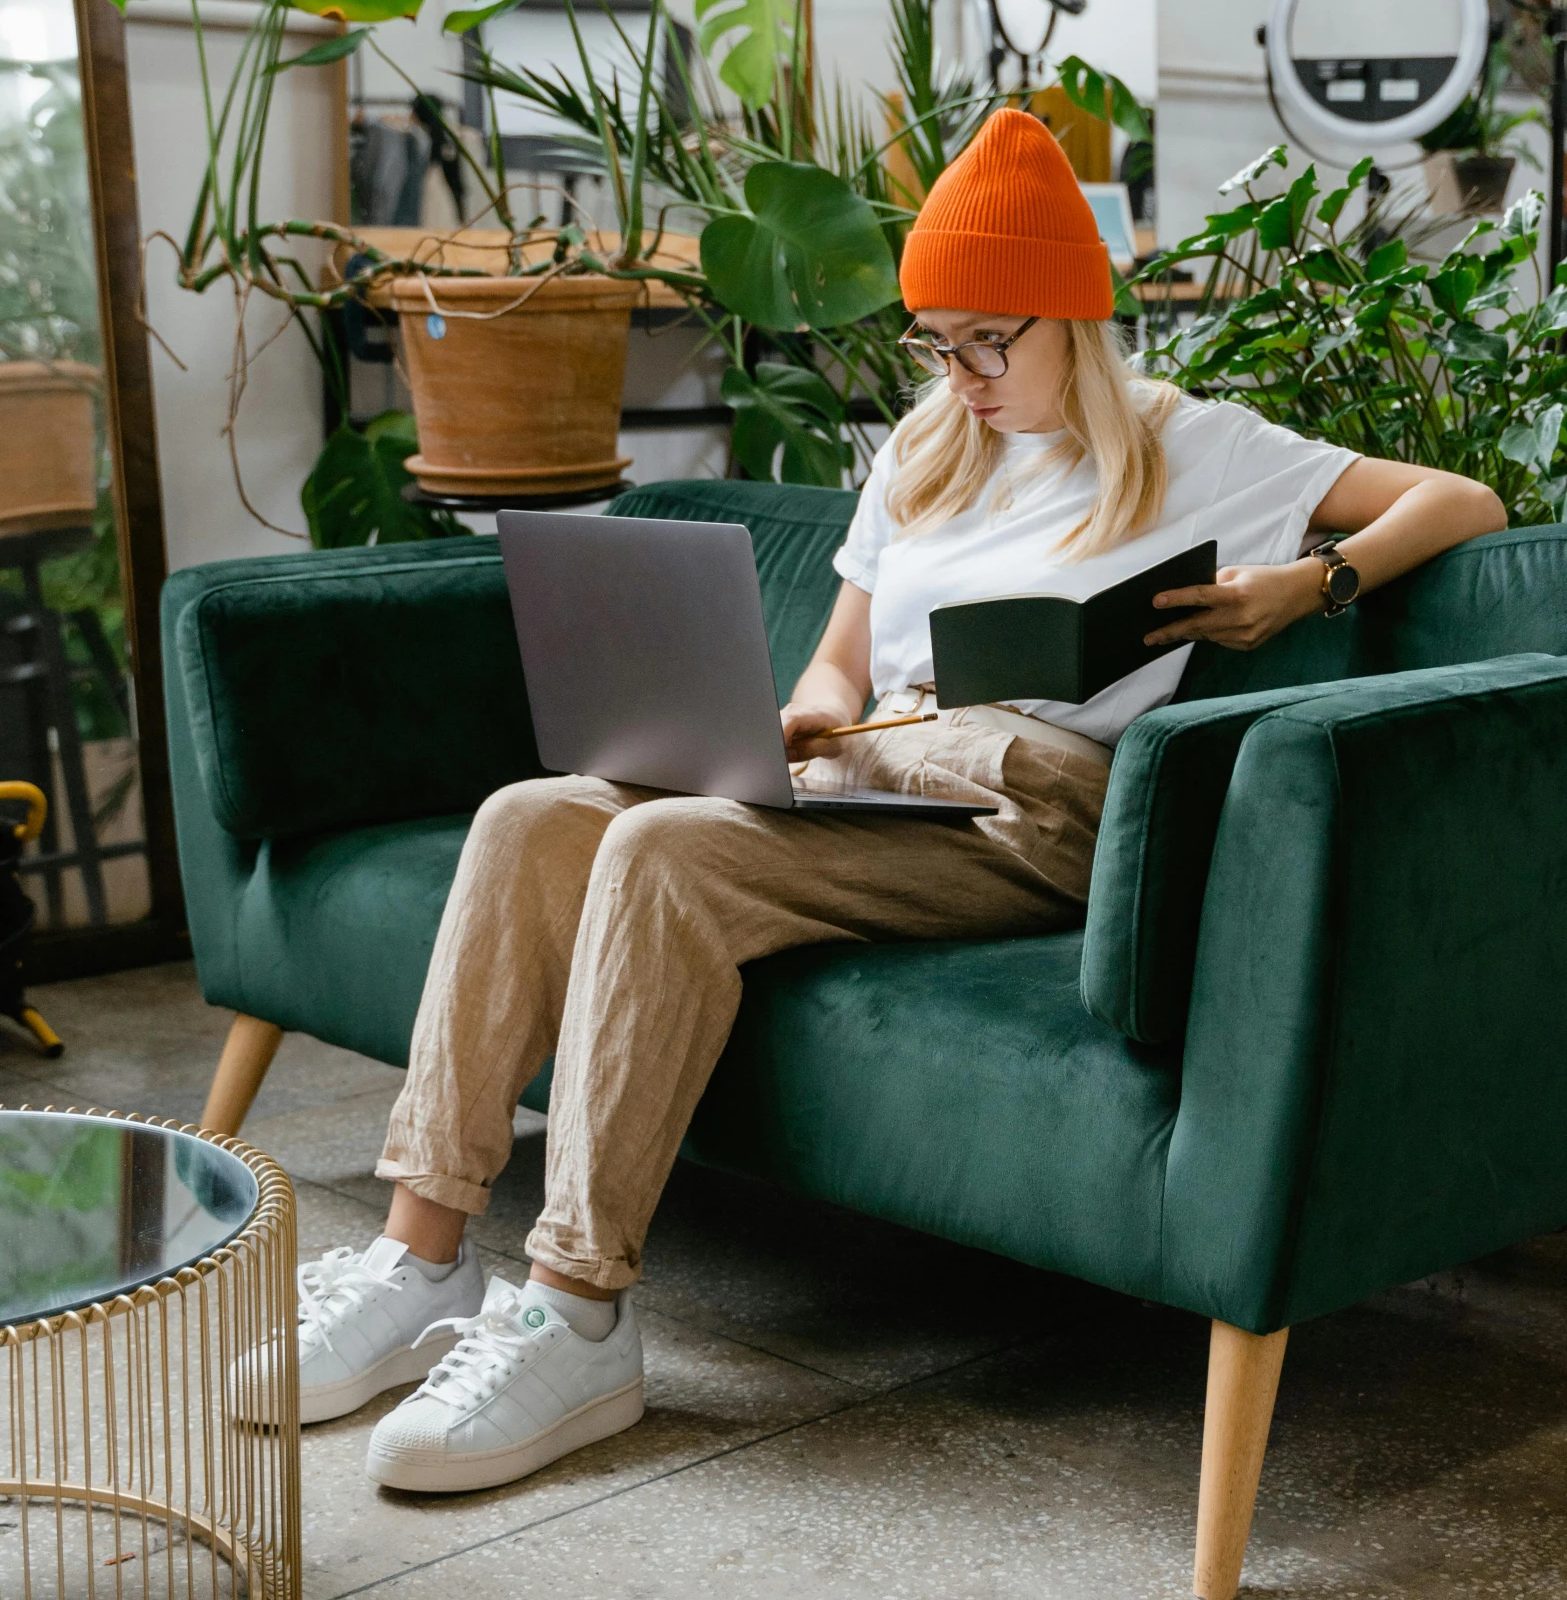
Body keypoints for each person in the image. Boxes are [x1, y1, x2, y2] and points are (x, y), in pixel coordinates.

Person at [283, 109, 1504, 1495]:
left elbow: (1459, 497)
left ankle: (576, 1314)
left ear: (1072, 317)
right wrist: (799, 711)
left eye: (994, 337)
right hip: (863, 768)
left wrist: (1307, 582)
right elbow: (841, 660)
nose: (965, 371)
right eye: (941, 339)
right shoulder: (924, 449)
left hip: (1030, 806)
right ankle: (414, 1258)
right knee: (527, 813)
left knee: (664, 853)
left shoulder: (1197, 446)